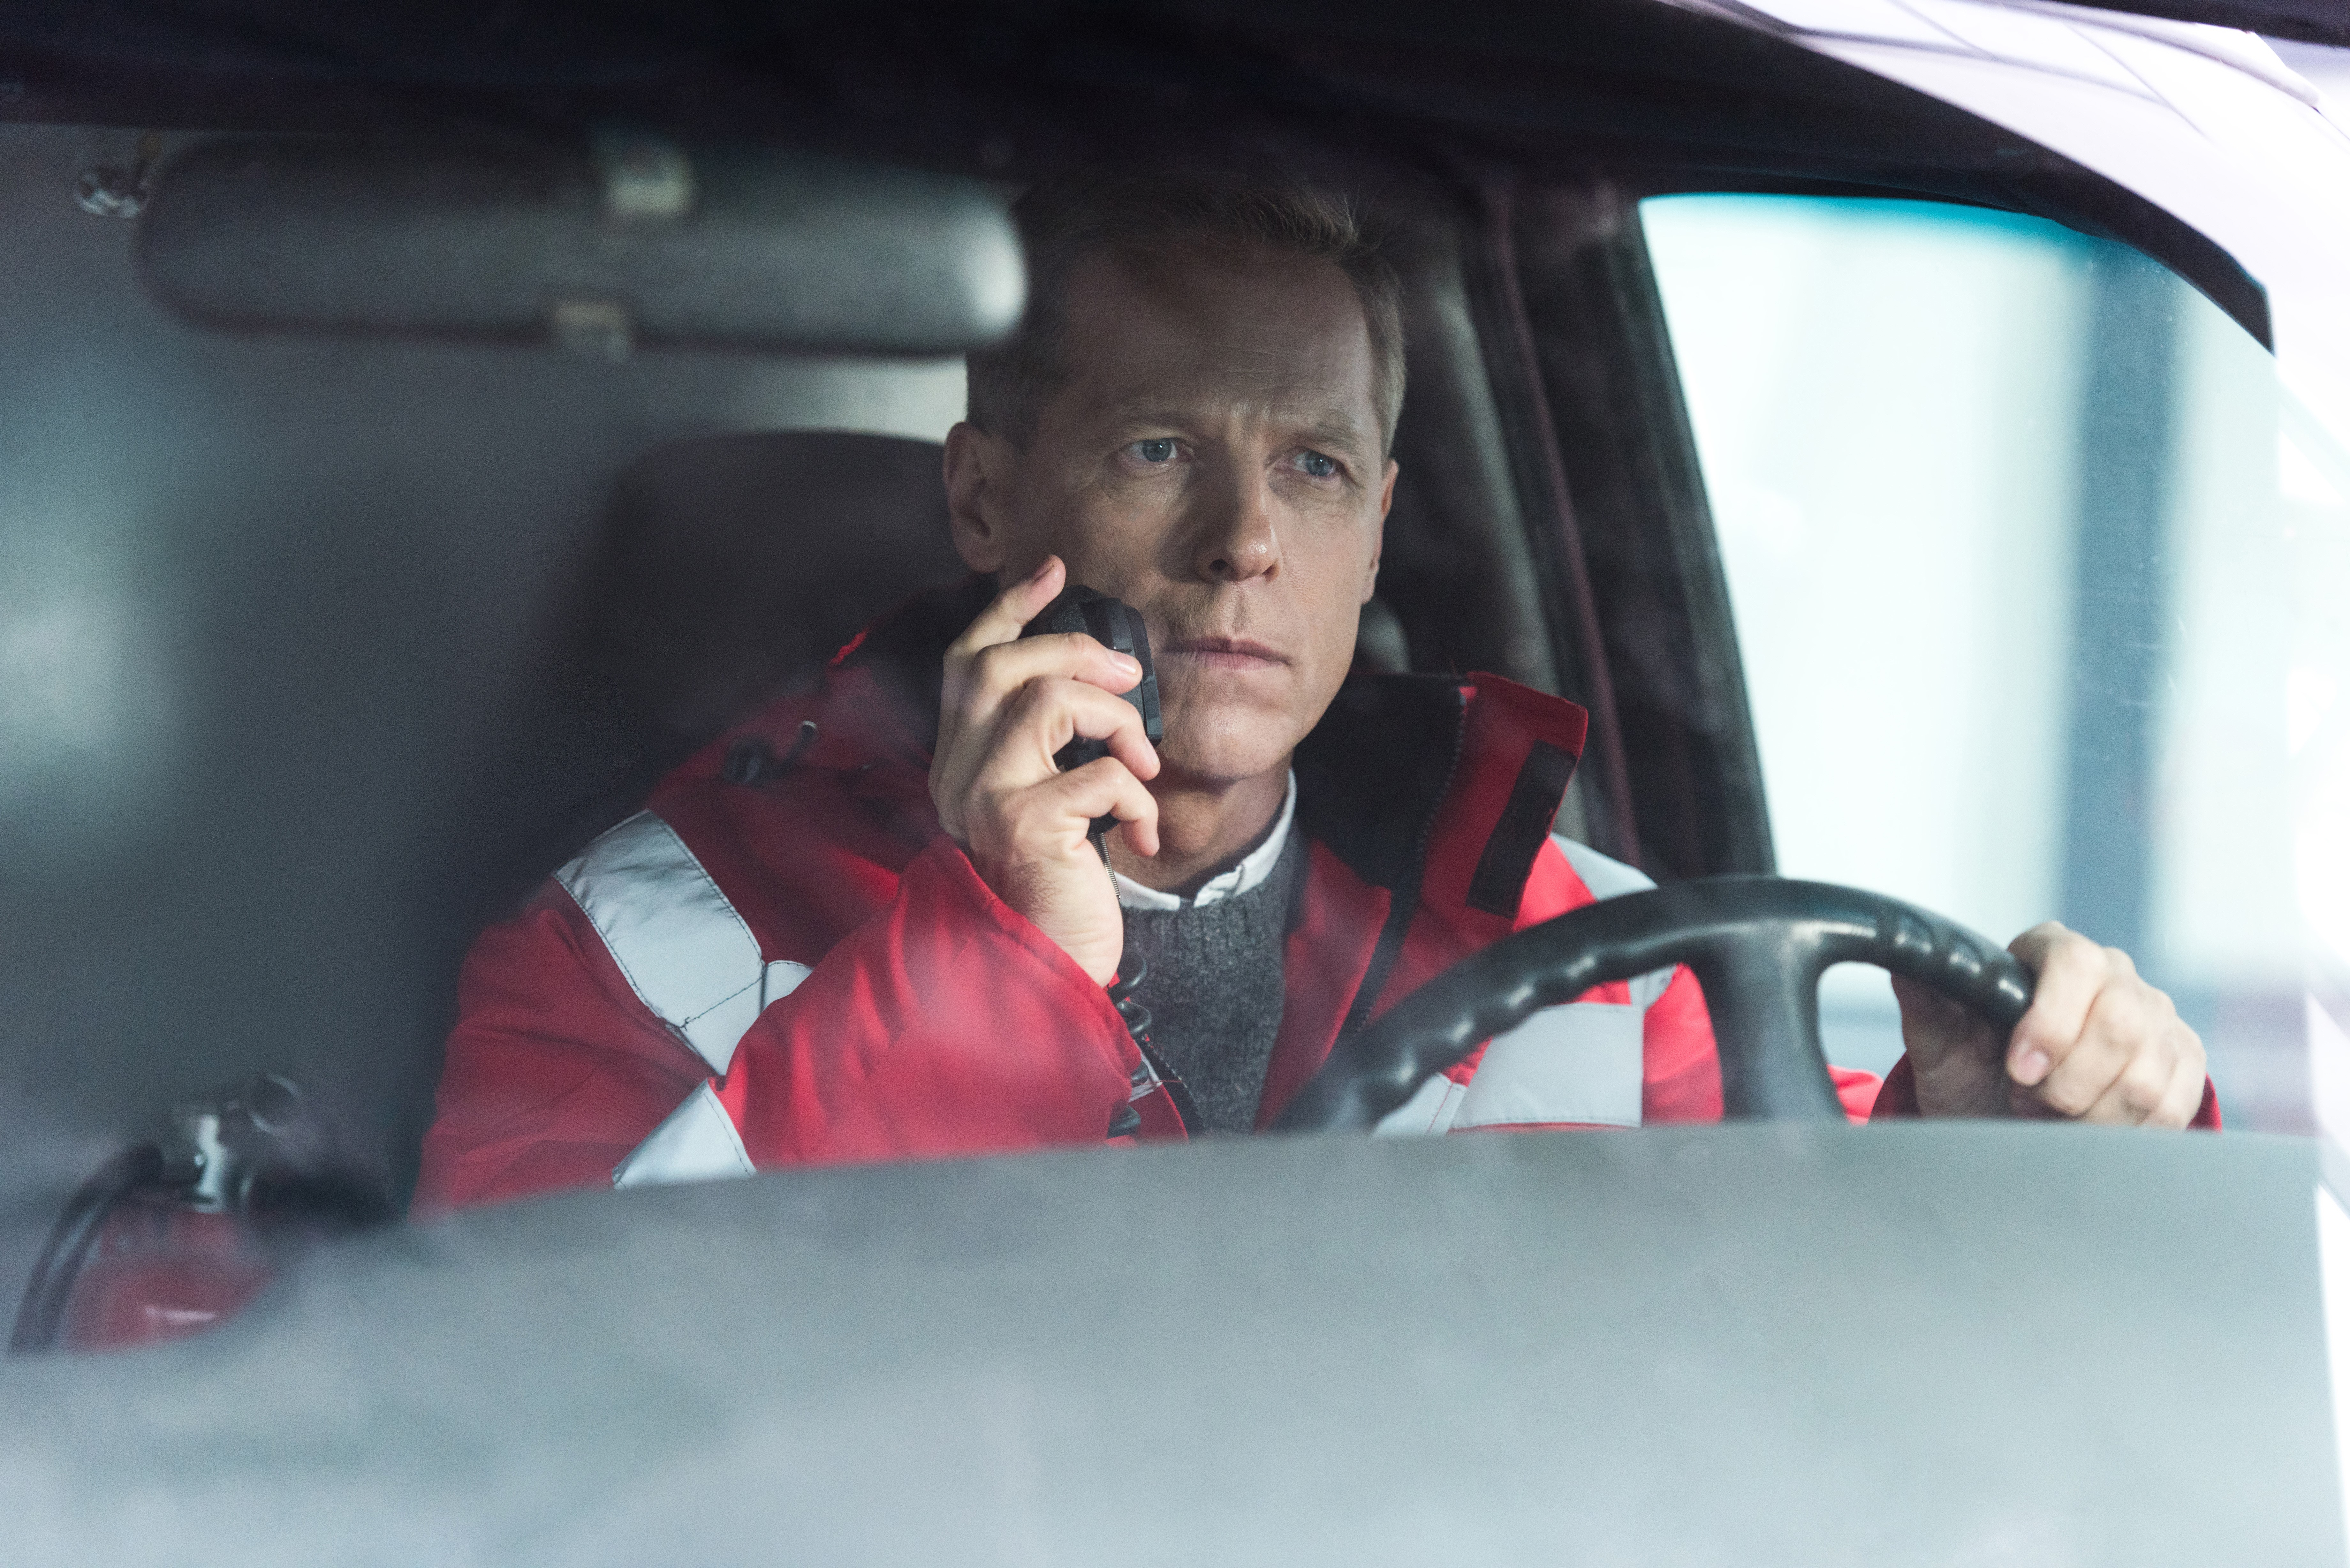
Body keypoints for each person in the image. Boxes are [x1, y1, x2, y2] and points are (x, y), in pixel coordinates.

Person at [414, 173, 2214, 1212]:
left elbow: (1800, 1377)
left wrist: (1997, 1151)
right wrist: (992, 960)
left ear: (1379, 540)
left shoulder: (1605, 950)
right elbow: (511, 1426)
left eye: (1317, 474)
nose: (1241, 543)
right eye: (1154, 448)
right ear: (982, 497)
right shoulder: (636, 942)